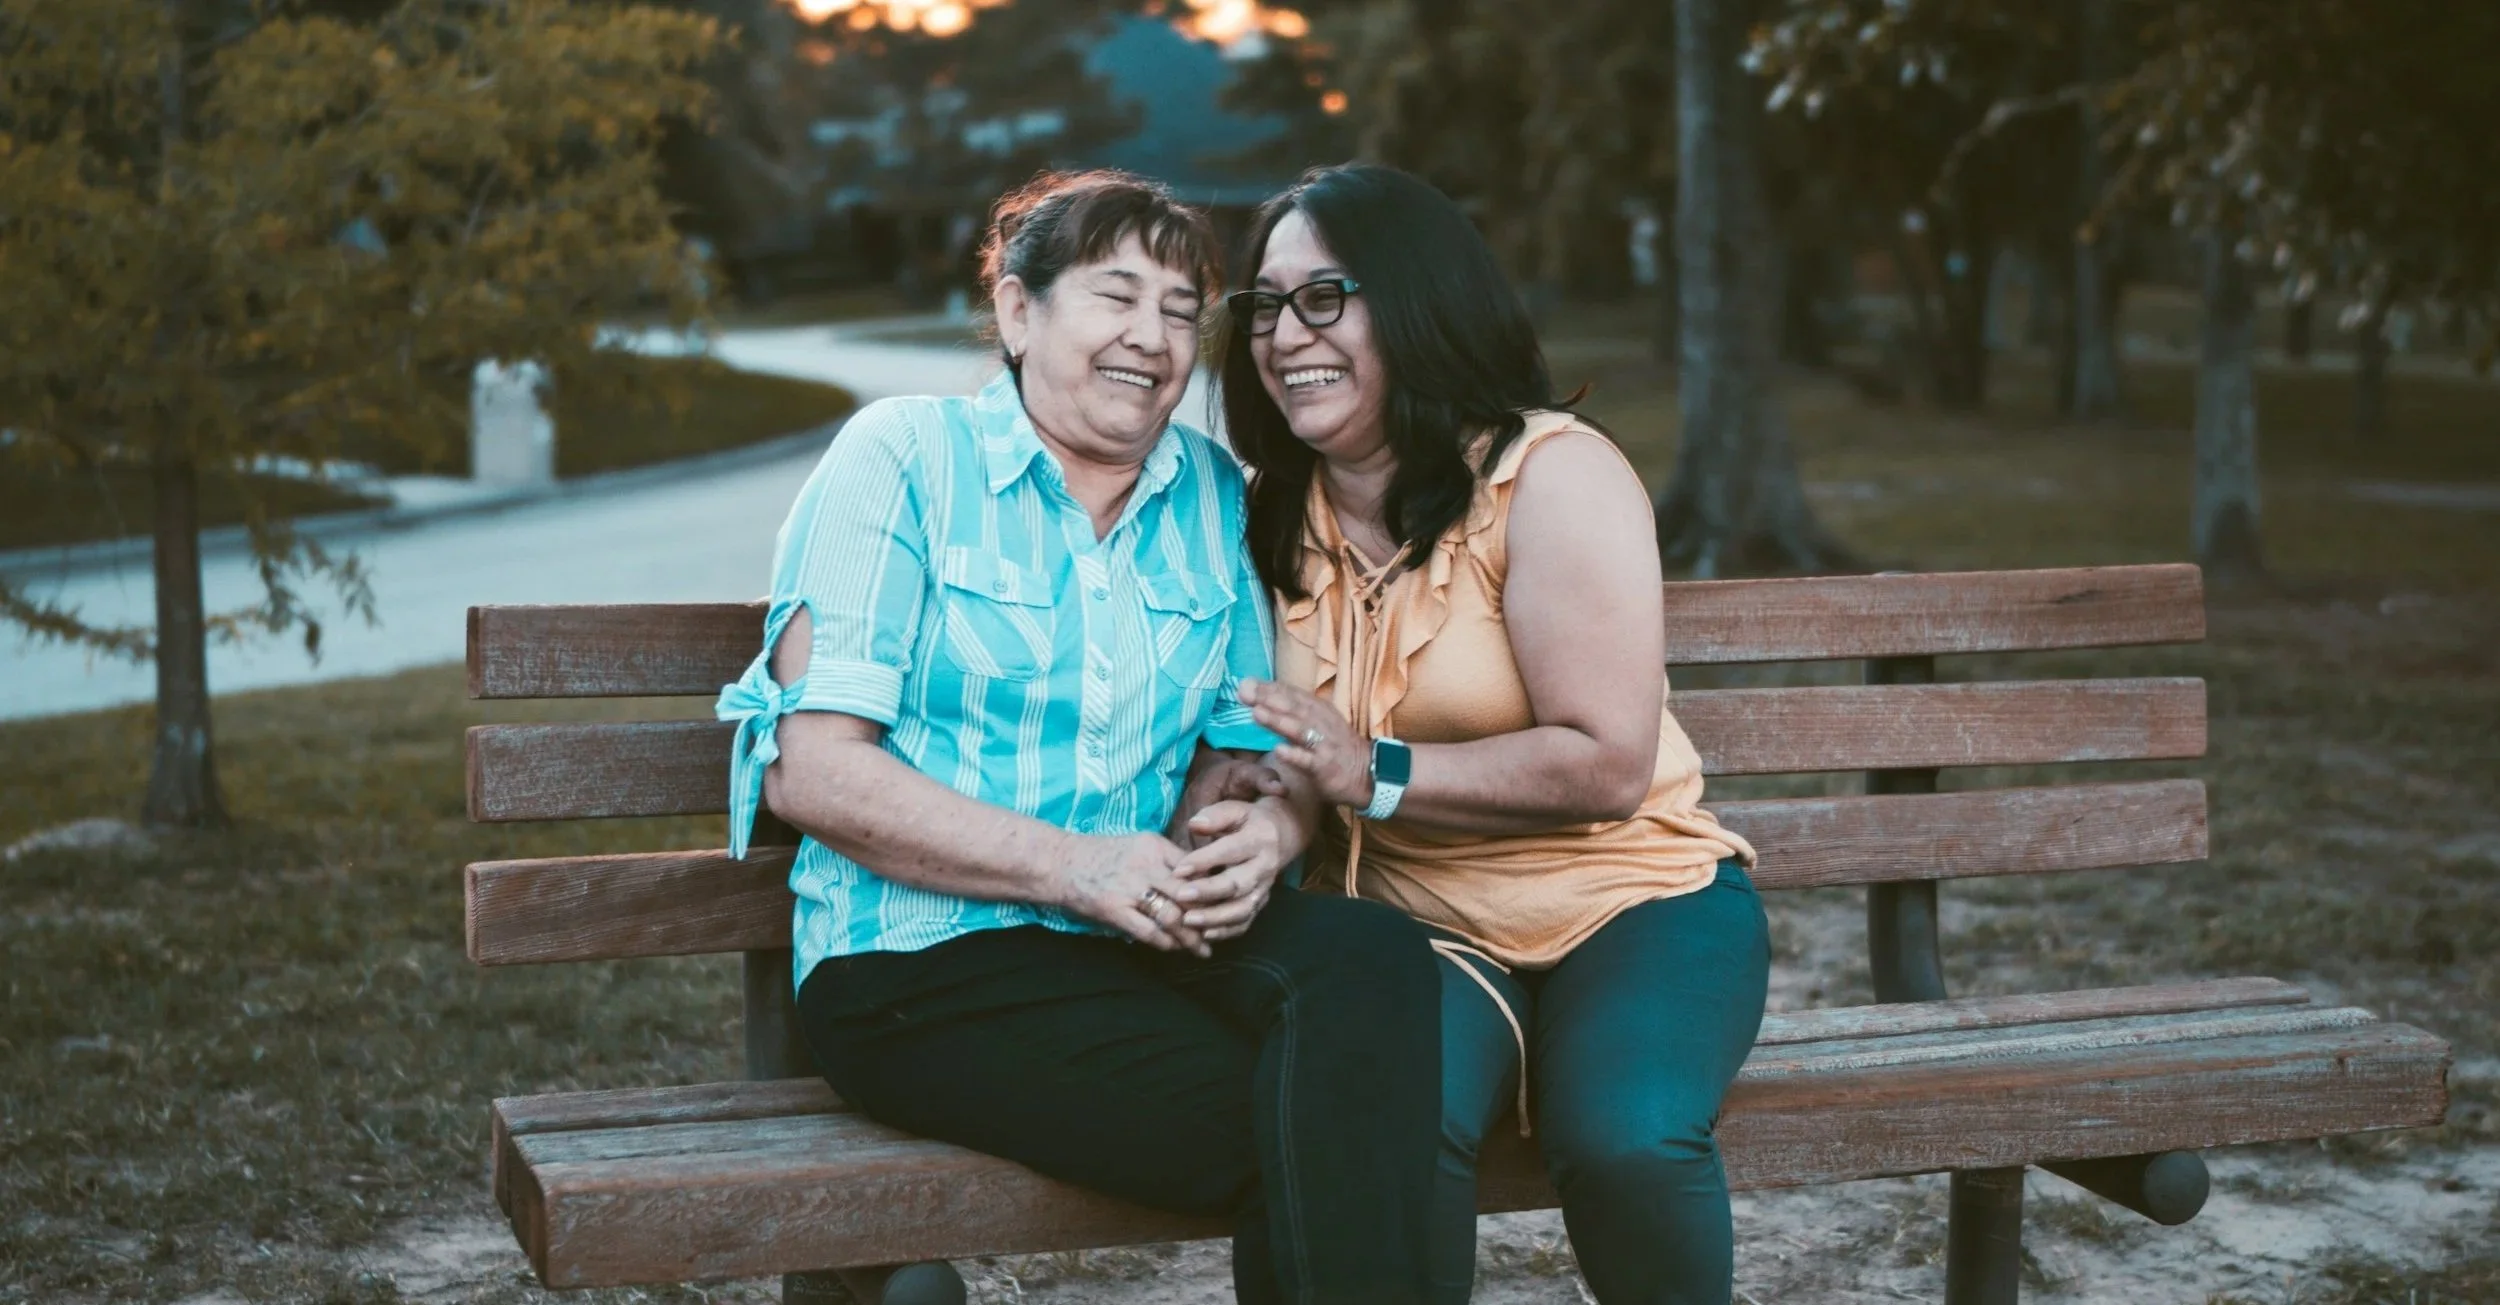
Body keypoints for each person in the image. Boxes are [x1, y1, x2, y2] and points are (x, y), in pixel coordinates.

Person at [714, 170, 1442, 1305]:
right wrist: (1077, 866)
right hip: (919, 964)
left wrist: (1254, 827)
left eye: (1177, 309)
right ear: (1018, 312)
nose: (1150, 339)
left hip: (1132, 935)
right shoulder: (904, 460)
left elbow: (1236, 741)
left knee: (1376, 962)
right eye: (1114, 296)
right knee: (1316, 1128)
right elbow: (814, 771)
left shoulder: (1207, 491)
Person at [1218, 163, 1772, 1305]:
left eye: (1324, 297)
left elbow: (1606, 760)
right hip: (1412, 928)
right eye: (1266, 305)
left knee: (1624, 1137)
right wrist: (1268, 823)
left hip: (1631, 904)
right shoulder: (1261, 513)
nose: (1283, 334)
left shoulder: (1549, 475)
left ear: (1419, 301)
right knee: (1375, 1133)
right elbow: (1271, 747)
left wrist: (1366, 771)